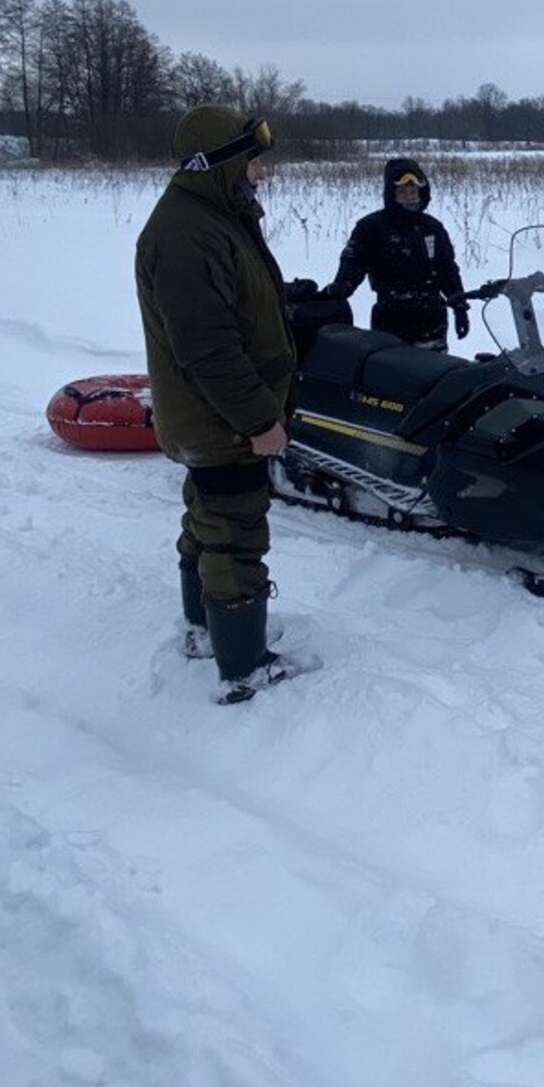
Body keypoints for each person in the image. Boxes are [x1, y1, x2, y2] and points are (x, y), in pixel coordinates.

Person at [135, 105, 309, 703]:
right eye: (252, 162)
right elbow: (207, 347)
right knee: (235, 531)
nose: (261, 172)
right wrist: (259, 419)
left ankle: (206, 630)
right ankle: (243, 665)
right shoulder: (186, 234)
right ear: (220, 165)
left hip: (214, 416)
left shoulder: (210, 217)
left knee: (207, 518)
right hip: (222, 419)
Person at [324, 158, 469, 350]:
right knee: (391, 368)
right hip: (390, 318)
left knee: (434, 367)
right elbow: (354, 262)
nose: (409, 198)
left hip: (431, 319)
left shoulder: (432, 228)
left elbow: (447, 269)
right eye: (402, 193)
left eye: (413, 192)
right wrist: (339, 289)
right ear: (391, 194)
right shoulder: (371, 227)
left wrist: (459, 305)